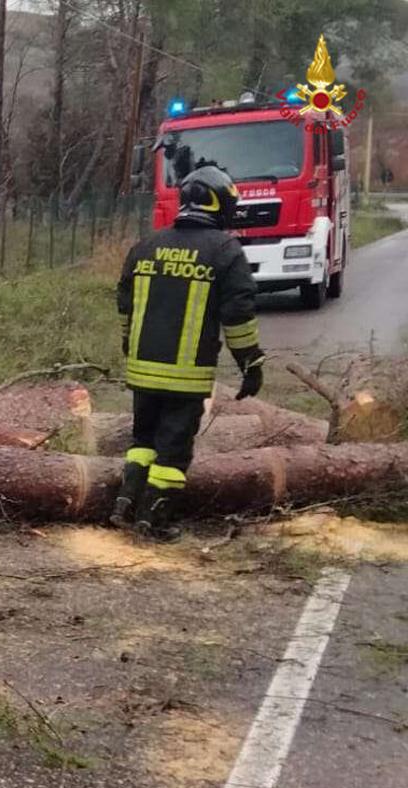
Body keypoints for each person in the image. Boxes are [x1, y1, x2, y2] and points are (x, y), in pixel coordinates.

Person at [111, 165, 264, 541]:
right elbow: (238, 316)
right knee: (173, 451)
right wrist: (252, 364)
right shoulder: (226, 251)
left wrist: (130, 347)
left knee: (142, 441)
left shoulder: (145, 246)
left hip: (142, 372)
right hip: (186, 376)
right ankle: (156, 520)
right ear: (217, 204)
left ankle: (125, 504)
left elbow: (126, 306)